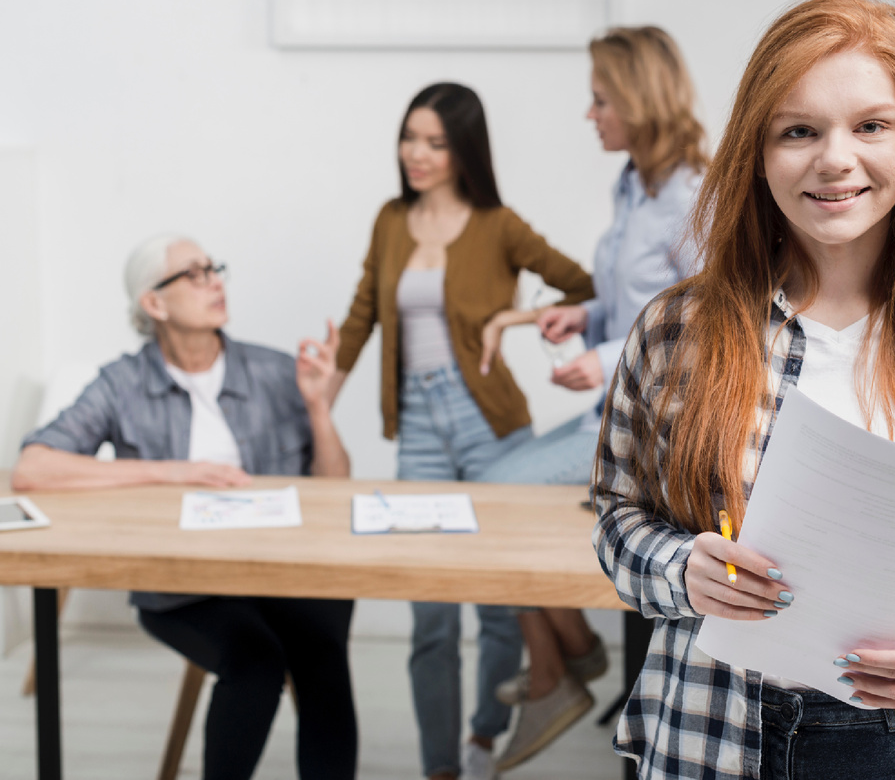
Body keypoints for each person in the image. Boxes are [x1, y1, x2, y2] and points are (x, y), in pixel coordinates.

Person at [590, 0, 895, 780]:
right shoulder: (676, 330)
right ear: (757, 150)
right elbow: (616, 517)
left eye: (870, 125)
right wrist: (680, 569)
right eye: (799, 130)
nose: (835, 159)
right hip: (711, 723)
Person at [12, 235, 357, 780]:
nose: (215, 281)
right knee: (255, 663)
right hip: (184, 586)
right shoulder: (121, 383)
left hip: (287, 571)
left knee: (321, 655)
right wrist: (171, 471)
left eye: (214, 269)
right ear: (154, 303)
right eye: (193, 275)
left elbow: (336, 486)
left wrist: (318, 409)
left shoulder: (274, 370)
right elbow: (33, 467)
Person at [326, 82, 593, 780]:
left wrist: (515, 319)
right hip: (417, 425)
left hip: (489, 423)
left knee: (501, 604)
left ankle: (484, 738)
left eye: (435, 142)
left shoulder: (498, 223)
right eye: (409, 137)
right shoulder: (391, 219)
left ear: (463, 149)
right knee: (430, 615)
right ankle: (438, 766)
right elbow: (361, 314)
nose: (417, 153)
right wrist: (322, 394)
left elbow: (586, 286)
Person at [478, 25, 709, 771]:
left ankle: (563, 661)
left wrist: (605, 357)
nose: (590, 114)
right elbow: (638, 302)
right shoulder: (630, 184)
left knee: (490, 493)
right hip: (609, 407)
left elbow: (708, 325)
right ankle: (565, 654)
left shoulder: (694, 198)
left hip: (653, 427)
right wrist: (586, 317)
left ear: (640, 100)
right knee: (497, 486)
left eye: (600, 98)